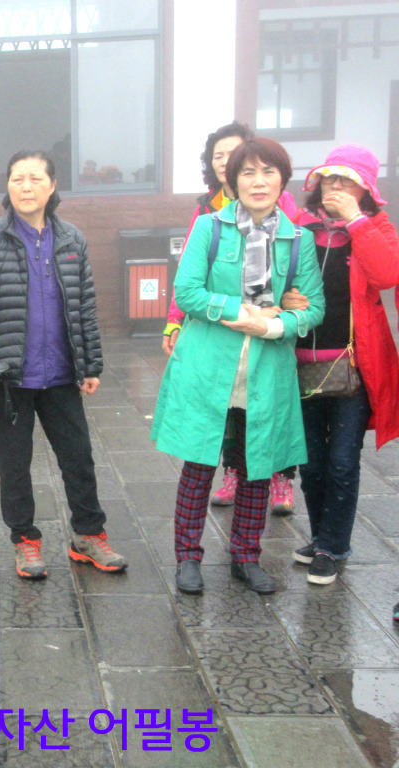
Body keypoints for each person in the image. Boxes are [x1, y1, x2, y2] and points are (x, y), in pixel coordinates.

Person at [151, 138, 325, 596]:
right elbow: (187, 292)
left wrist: (274, 326)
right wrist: (243, 312)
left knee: (256, 467)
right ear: (233, 180)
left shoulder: (298, 240)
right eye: (248, 172)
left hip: (266, 371)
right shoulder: (209, 228)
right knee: (199, 465)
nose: (258, 181)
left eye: (268, 172)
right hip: (209, 368)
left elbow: (314, 308)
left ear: (282, 180)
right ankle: (188, 556)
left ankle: (246, 556)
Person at [0, 149, 127, 581]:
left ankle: (88, 535)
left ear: (52, 187)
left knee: (79, 458)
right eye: (17, 178)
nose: (26, 187)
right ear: (8, 186)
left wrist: (91, 364)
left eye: (35, 178)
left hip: (61, 374)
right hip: (9, 378)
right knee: (15, 464)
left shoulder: (71, 239)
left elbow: (85, 306)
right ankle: (25, 541)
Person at [162, 122, 300, 516]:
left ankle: (279, 477)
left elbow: (298, 273)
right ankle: (232, 473)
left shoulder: (285, 212)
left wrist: (289, 307)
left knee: (266, 422)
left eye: (234, 153)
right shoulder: (208, 213)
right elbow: (189, 280)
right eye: (219, 156)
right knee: (218, 422)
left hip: (269, 337)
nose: (226, 162)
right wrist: (175, 320)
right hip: (221, 337)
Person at [281, 146, 399, 585]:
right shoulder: (299, 228)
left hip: (353, 367)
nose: (336, 187)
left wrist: (355, 221)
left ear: (365, 190)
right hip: (300, 364)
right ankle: (320, 537)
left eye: (348, 181)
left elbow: (388, 275)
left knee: (343, 462)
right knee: (311, 463)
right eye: (330, 179)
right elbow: (274, 280)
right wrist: (284, 298)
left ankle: (334, 546)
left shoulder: (376, 228)